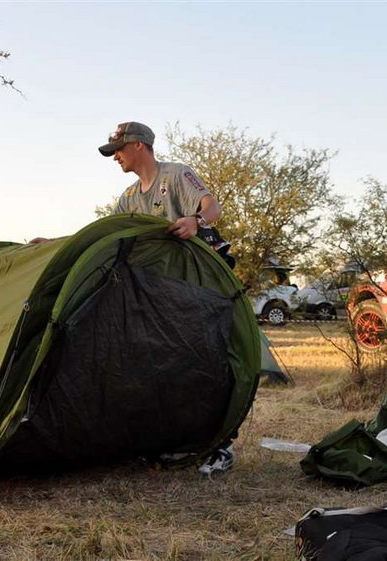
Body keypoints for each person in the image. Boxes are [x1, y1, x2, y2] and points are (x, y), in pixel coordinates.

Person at [99, 121, 235, 477]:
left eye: (118, 150)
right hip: (156, 294)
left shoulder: (176, 175)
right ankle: (164, 440)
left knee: (204, 360)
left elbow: (212, 206)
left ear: (139, 146)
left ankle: (220, 446)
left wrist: (195, 221)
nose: (115, 158)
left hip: (194, 285)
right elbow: (108, 237)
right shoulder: (128, 198)